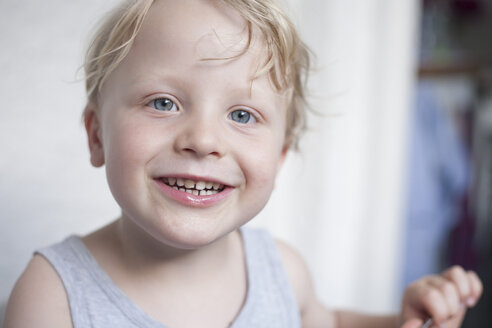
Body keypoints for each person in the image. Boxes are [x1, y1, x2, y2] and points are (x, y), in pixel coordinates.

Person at [2, 0, 483, 327]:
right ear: (96, 135)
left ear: (278, 155)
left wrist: (399, 319)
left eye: (242, 114)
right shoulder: (53, 297)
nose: (204, 140)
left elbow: (325, 322)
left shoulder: (281, 270)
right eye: (163, 103)